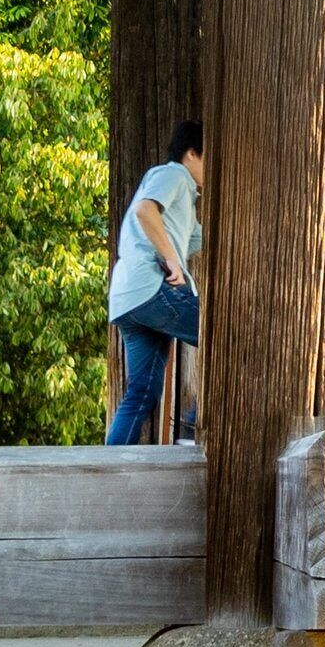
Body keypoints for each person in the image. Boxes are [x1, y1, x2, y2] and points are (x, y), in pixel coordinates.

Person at [105, 121, 204, 445]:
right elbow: (145, 211)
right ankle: (192, 424)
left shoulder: (186, 199)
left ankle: (109, 470)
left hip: (127, 299)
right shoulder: (173, 174)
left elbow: (191, 240)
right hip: (152, 287)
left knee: (142, 391)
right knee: (226, 338)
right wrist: (171, 259)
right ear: (192, 154)